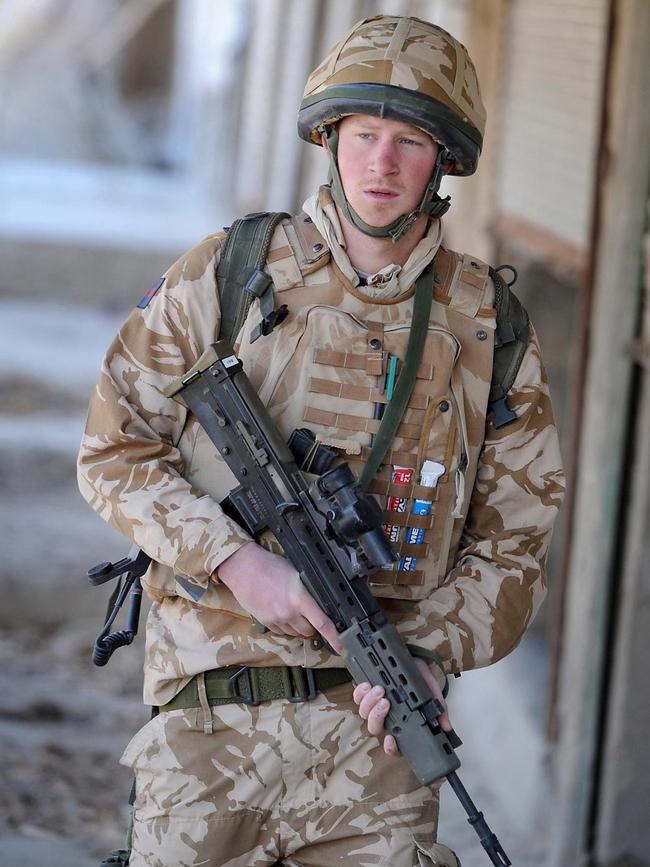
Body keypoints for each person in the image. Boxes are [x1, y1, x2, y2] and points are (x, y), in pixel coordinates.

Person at [78, 14, 564, 867]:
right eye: (365, 135)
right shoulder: (230, 271)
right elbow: (114, 450)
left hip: (377, 751)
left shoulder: (492, 326)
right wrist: (234, 560)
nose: (381, 164)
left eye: (409, 141)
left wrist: (429, 651)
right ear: (329, 138)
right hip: (210, 735)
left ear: (443, 160)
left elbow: (515, 549)